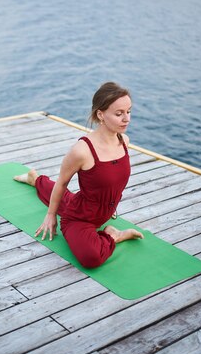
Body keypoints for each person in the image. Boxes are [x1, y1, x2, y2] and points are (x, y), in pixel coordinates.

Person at [14, 82, 143, 268]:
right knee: (92, 258)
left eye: (128, 111)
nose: (126, 119)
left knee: (69, 200)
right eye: (119, 113)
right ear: (101, 115)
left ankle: (35, 179)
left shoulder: (124, 141)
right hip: (79, 218)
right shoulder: (82, 151)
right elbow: (62, 183)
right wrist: (50, 215)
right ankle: (113, 234)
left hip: (95, 208)